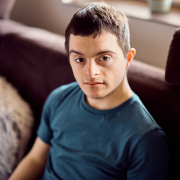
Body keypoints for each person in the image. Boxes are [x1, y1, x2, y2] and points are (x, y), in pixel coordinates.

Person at [9, 2, 169, 180]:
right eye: (79, 59)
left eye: (104, 58)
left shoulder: (146, 140)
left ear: (128, 58)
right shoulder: (59, 99)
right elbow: (35, 160)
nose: (91, 72)